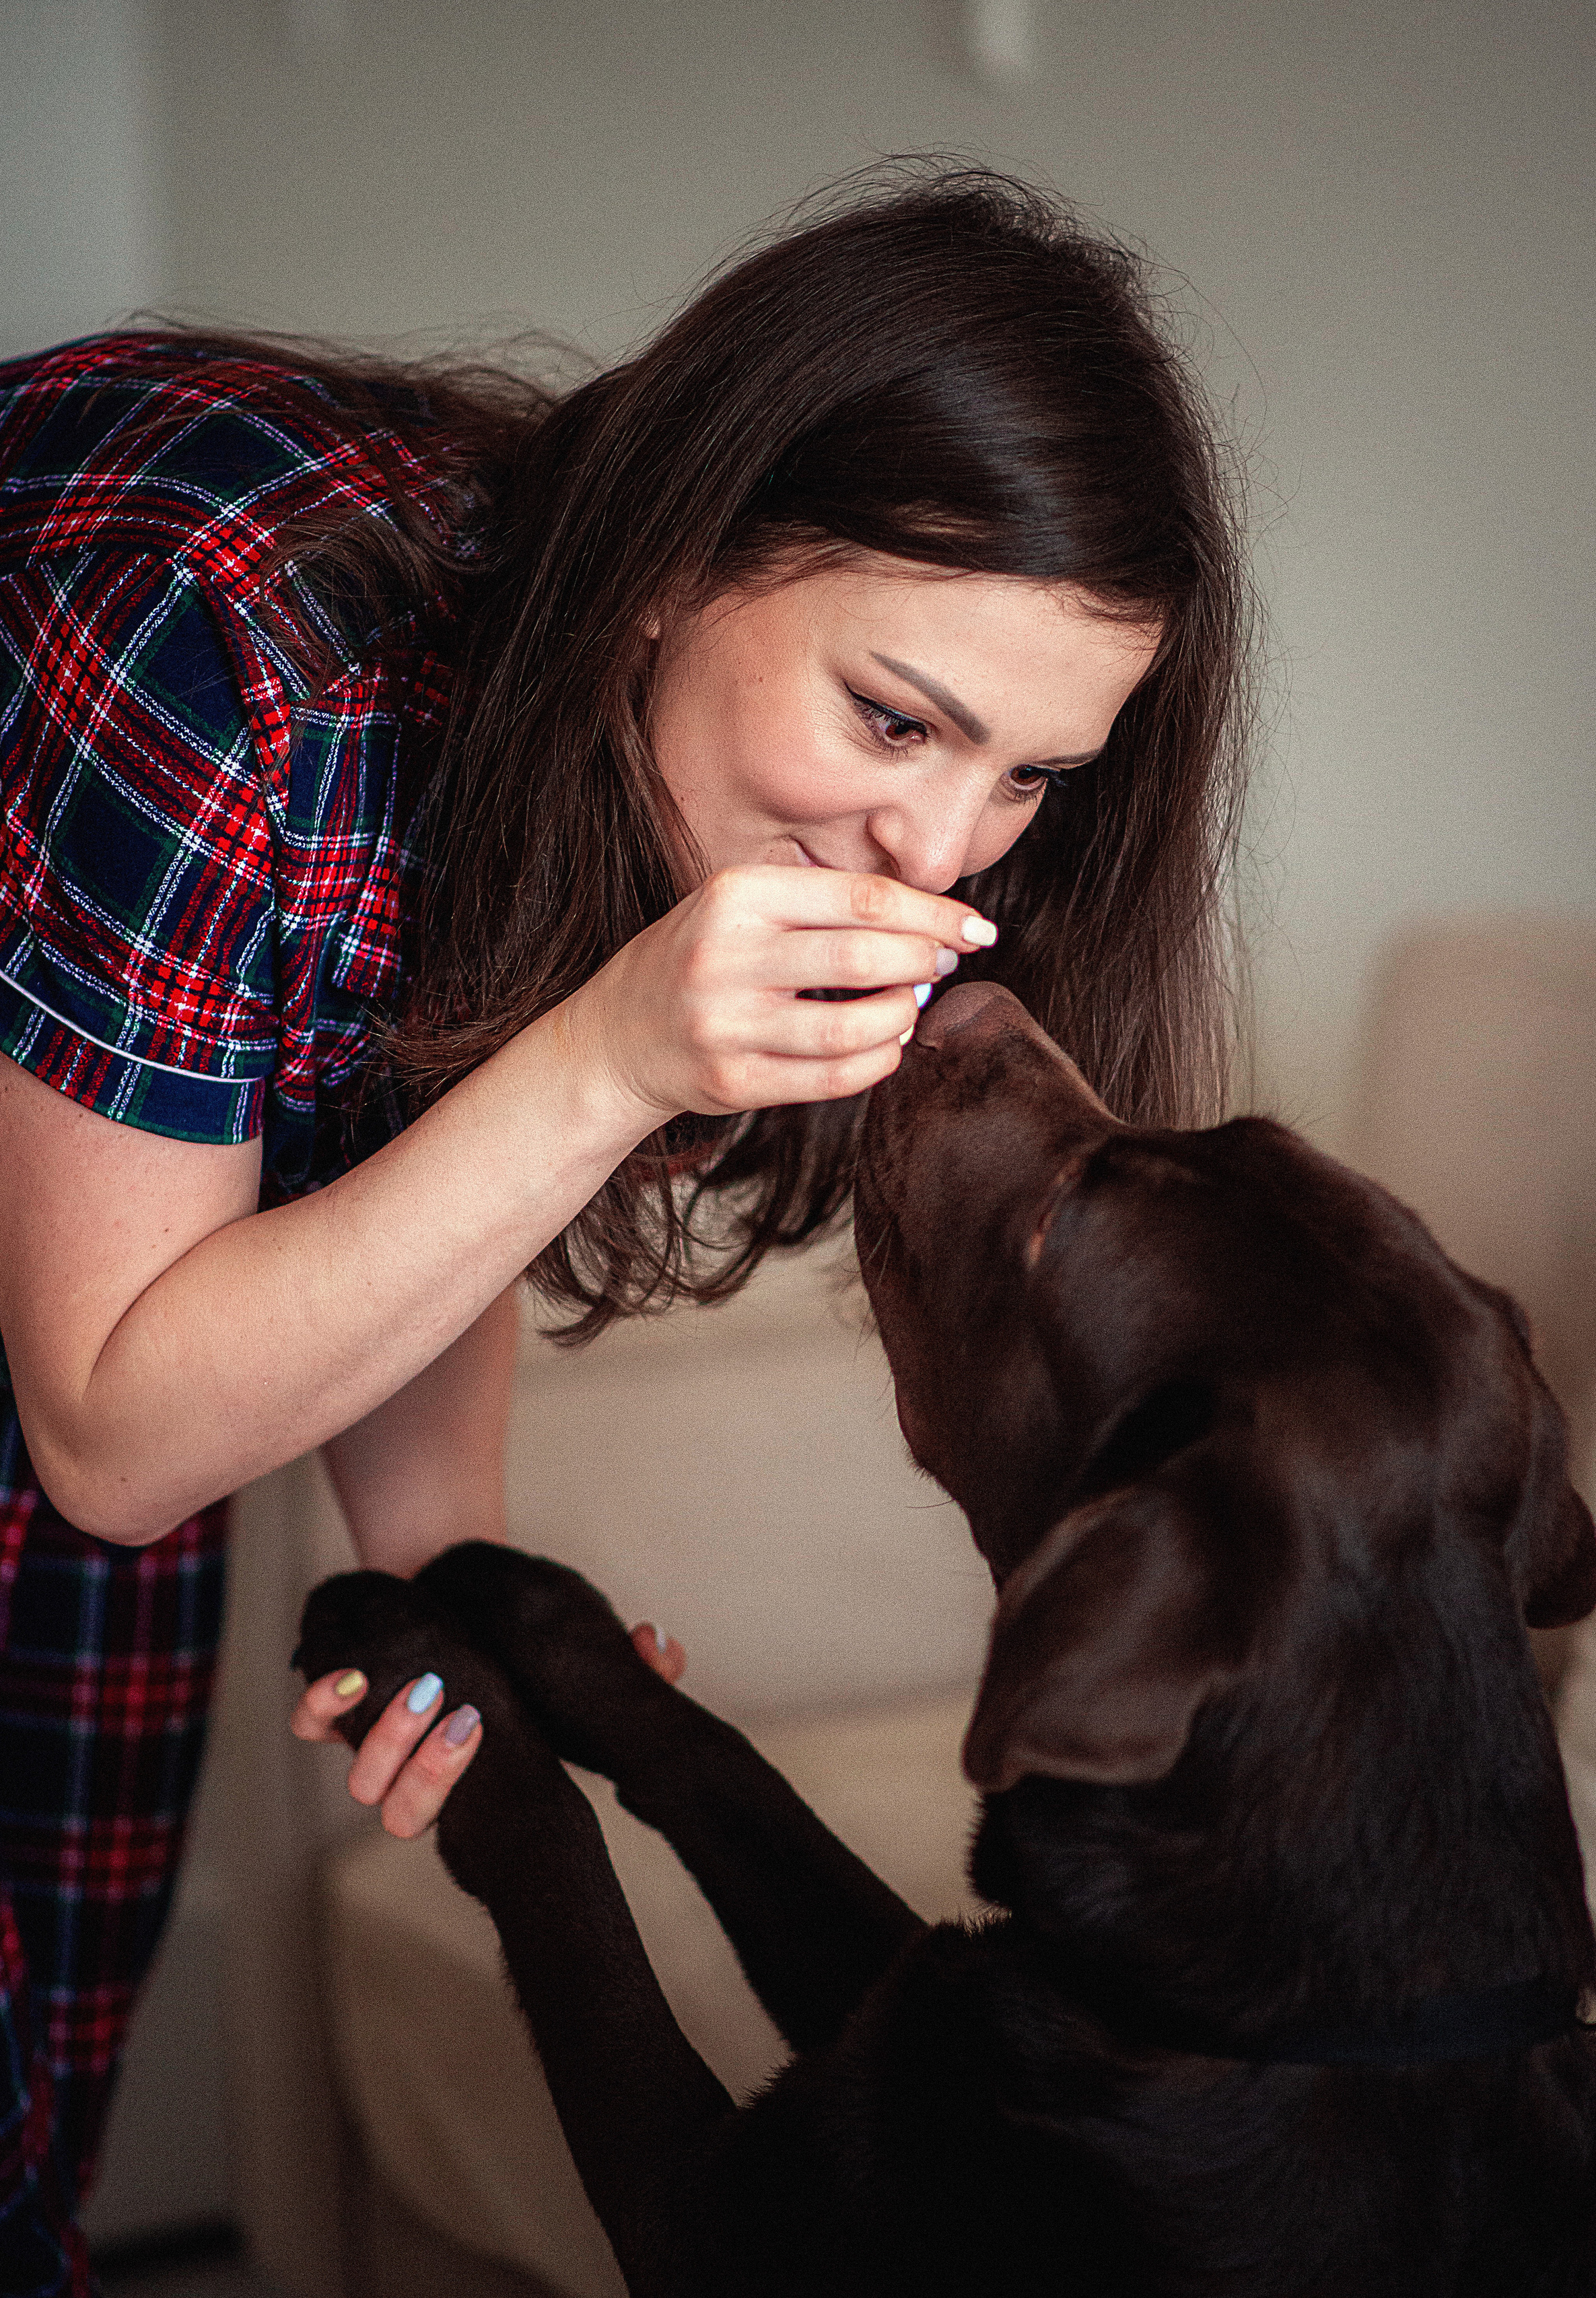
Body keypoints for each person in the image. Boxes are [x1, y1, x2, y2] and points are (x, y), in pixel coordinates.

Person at [0, 166, 1249, 2291]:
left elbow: (410, 1158)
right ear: (682, 562)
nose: (944, 855)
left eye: (1029, 778)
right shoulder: (220, 643)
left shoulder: (629, 780)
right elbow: (115, 1436)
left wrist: (450, 1584)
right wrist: (608, 1062)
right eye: (894, 717)